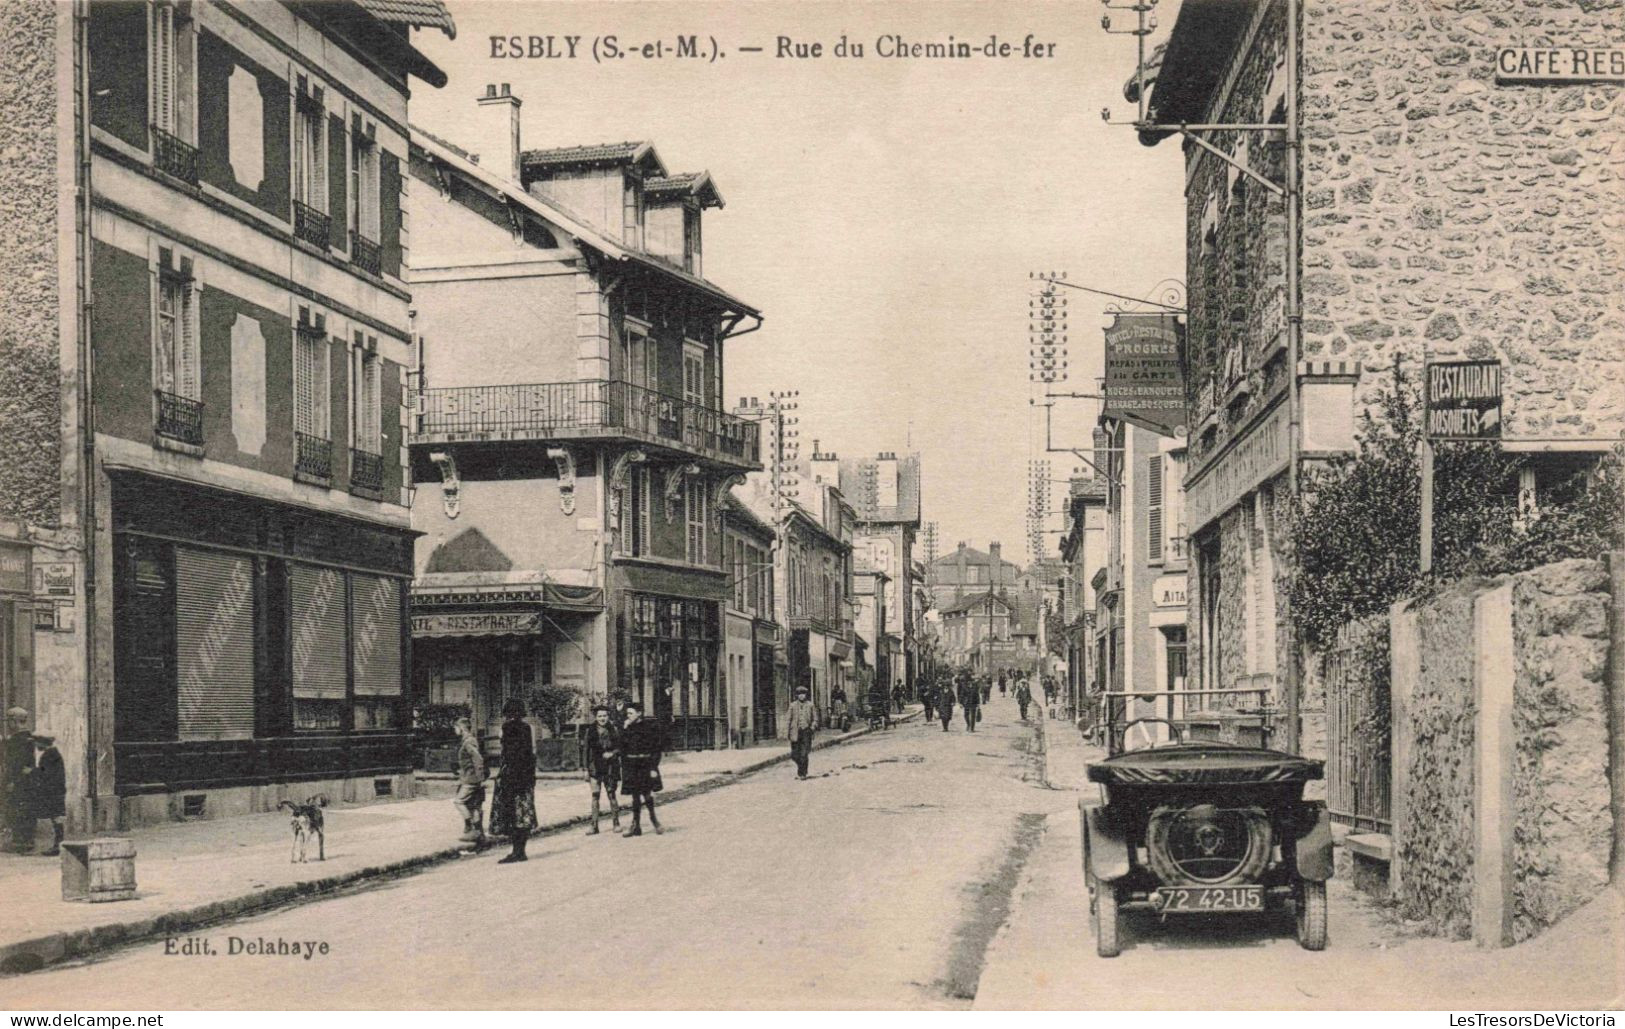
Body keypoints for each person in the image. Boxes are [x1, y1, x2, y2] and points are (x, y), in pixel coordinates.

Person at [489, 698, 537, 863]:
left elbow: (507, 754)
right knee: (523, 815)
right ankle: (521, 851)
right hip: (526, 777)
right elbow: (529, 753)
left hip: (512, 776)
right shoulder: (527, 728)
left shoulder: (507, 728)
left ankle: (515, 851)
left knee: (510, 814)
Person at [619, 702, 666, 836]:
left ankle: (654, 820)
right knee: (635, 797)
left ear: (639, 713)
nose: (628, 716)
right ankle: (636, 825)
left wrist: (653, 767)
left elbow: (656, 749)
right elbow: (622, 747)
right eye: (627, 713)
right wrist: (624, 729)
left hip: (645, 765)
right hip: (631, 766)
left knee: (647, 794)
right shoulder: (627, 728)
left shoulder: (649, 727)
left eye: (631, 713)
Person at [583, 705, 623, 835]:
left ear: (608, 716)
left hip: (610, 767)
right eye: (599, 716)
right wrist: (585, 769)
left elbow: (621, 747)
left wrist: (612, 753)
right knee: (595, 795)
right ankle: (594, 825)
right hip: (594, 766)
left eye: (604, 716)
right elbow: (585, 751)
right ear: (596, 717)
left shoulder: (614, 730)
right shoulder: (590, 730)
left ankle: (616, 823)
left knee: (611, 794)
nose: (602, 718)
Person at [2, 708, 35, 853]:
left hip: (17, 780)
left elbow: (15, 763)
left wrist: (11, 781)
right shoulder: (28, 737)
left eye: (9, 720)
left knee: (16, 809)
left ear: (15, 721)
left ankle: (20, 841)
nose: (8, 724)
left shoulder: (17, 739)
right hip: (27, 780)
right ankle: (26, 841)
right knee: (25, 808)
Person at [451, 717, 487, 847]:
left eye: (456, 727)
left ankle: (469, 824)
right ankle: (478, 833)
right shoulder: (467, 740)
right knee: (474, 805)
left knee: (459, 801)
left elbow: (478, 760)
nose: (455, 730)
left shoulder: (468, 742)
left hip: (471, 779)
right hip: (470, 777)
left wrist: (480, 778)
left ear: (461, 728)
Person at [31, 734, 66, 857]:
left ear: (42, 742)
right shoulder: (53, 754)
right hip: (56, 791)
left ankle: (58, 845)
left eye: (37, 743)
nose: (36, 746)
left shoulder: (49, 755)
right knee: (56, 817)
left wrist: (31, 771)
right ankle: (59, 844)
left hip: (53, 792)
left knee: (56, 817)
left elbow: (45, 773)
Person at [786, 685, 817, 779]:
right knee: (794, 754)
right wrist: (787, 732)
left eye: (803, 694)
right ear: (797, 695)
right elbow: (788, 719)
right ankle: (802, 768)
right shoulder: (792, 705)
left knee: (804, 753)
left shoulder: (810, 705)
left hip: (806, 731)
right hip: (795, 732)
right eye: (800, 694)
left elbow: (815, 719)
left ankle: (802, 773)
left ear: (806, 695)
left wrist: (812, 727)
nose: (801, 696)